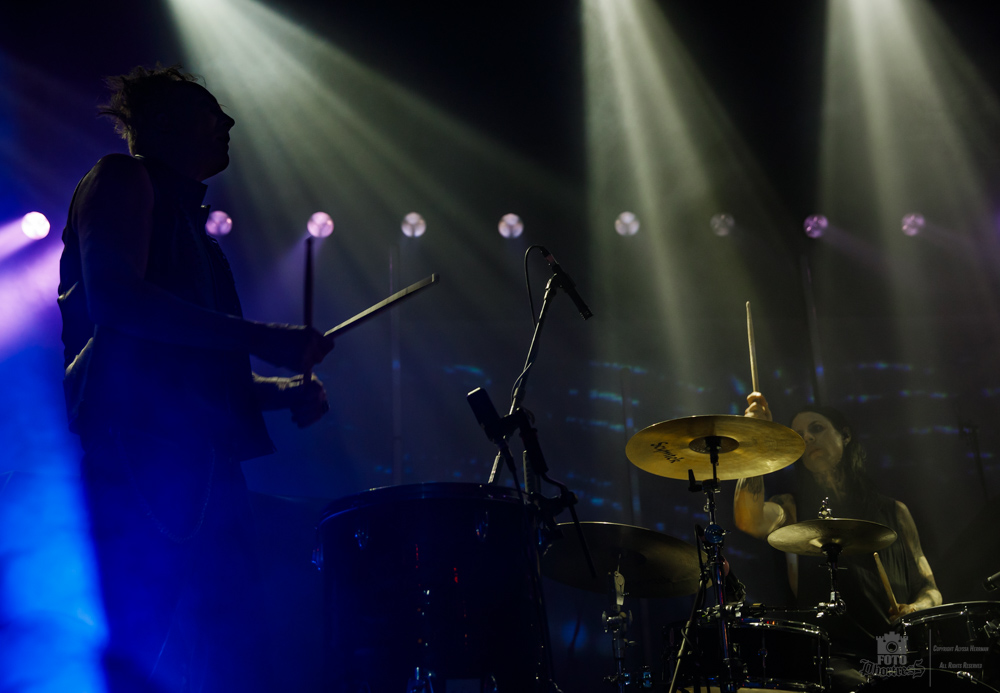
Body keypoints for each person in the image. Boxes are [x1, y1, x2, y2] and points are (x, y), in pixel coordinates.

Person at [57, 65, 334, 692]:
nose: (228, 123)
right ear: (162, 124)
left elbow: (193, 372)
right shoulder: (121, 178)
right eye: (212, 112)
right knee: (142, 646)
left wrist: (283, 390)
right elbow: (117, 302)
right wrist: (262, 337)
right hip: (141, 454)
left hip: (202, 460)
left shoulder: (192, 228)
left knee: (233, 656)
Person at [733, 392, 942, 692]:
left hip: (894, 649)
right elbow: (748, 519)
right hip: (830, 658)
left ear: (845, 435)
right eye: (800, 435)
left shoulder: (895, 511)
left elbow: (931, 588)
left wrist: (916, 607)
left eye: (817, 428)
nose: (808, 438)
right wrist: (755, 437)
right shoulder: (791, 507)